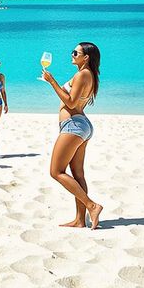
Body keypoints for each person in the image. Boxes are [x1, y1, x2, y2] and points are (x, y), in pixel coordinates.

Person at [41, 42, 103, 228]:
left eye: (76, 52)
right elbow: (72, 97)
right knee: (78, 174)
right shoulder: (87, 75)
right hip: (81, 125)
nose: (72, 54)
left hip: (74, 126)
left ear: (86, 58)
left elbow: (70, 101)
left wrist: (52, 82)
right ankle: (79, 219)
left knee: (56, 171)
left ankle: (92, 206)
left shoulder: (82, 74)